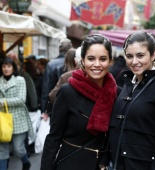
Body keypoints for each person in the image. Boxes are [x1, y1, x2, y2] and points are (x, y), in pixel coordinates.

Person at [40, 34, 118, 170]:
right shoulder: (68, 92)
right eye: (91, 58)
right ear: (82, 60)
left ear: (110, 61)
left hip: (104, 166)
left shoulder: (117, 93)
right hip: (71, 164)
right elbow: (53, 138)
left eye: (103, 59)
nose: (97, 64)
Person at [109, 31, 155, 170]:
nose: (134, 62)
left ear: (153, 55)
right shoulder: (127, 84)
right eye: (129, 56)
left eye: (140, 55)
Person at [0, 57, 34, 170]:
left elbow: (21, 99)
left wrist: (3, 101)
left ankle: (26, 162)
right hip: (2, 120)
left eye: (9, 66)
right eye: (4, 66)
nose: (6, 69)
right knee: (2, 149)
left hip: (18, 119)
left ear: (13, 68)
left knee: (18, 148)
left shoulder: (20, 80)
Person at [41, 38, 72, 120]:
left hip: (54, 104)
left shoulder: (51, 64)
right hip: (71, 104)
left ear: (59, 49)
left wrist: (44, 109)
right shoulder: (74, 62)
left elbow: (46, 88)